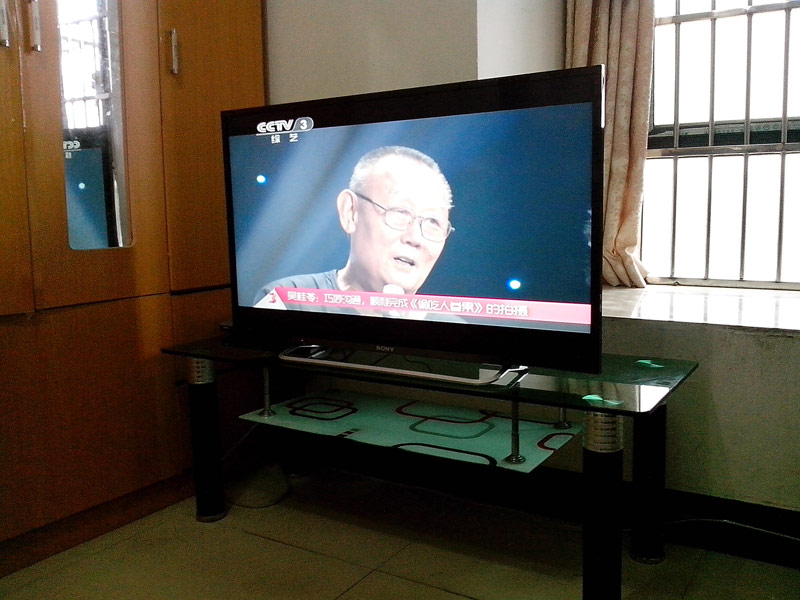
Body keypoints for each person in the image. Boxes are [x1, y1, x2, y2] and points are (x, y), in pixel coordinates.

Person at [253, 146, 454, 308]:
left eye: (433, 222)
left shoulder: (454, 328)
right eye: (400, 212)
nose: (415, 238)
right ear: (350, 212)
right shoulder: (286, 301)